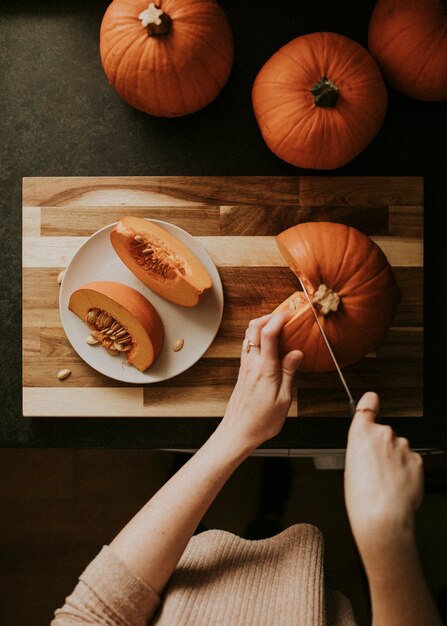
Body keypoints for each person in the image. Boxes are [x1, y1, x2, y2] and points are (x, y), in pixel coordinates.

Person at [52, 311, 442, 626]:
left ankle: (224, 518)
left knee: (199, 542)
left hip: (180, 578)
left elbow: (96, 611)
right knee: (269, 535)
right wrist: (387, 536)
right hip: (302, 587)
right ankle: (269, 514)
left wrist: (235, 432)